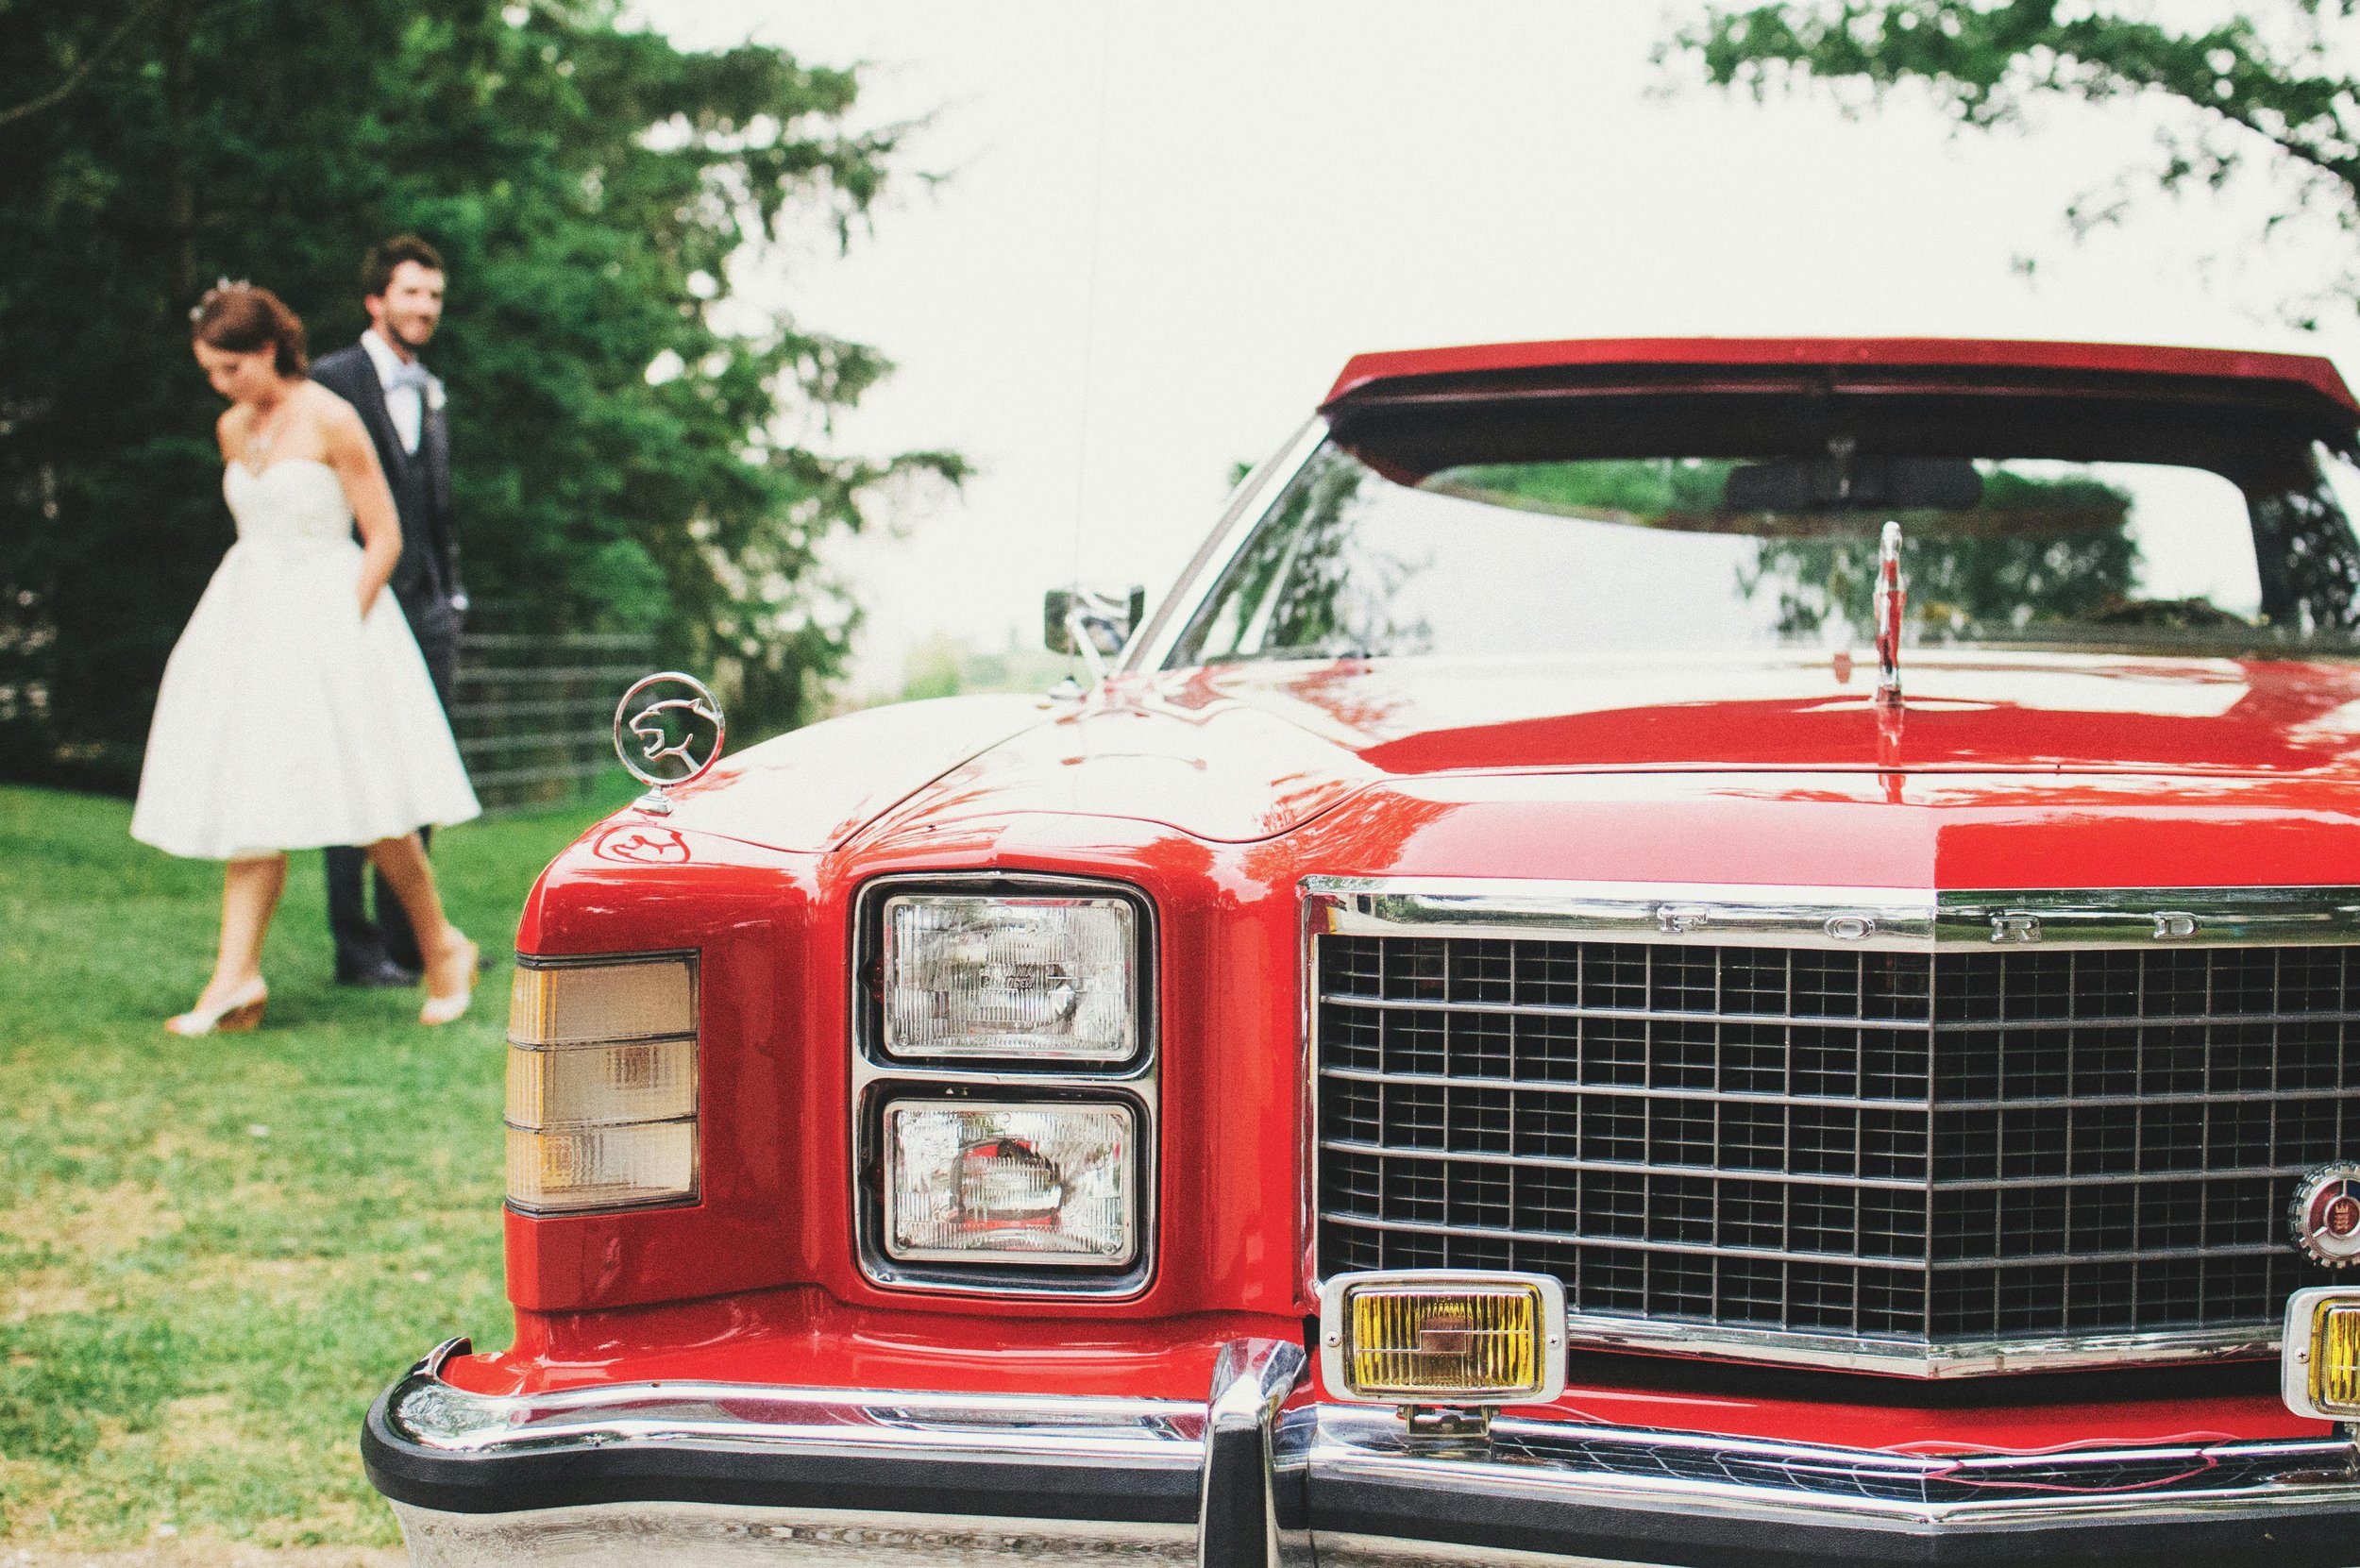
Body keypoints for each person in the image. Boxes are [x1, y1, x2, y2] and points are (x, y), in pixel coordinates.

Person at [130, 281, 481, 1034]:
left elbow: (384, 535)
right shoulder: (232, 429)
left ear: (265, 350)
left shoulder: (332, 417)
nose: (222, 387)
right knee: (251, 790)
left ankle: (443, 945)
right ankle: (235, 977)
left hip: (333, 615)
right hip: (250, 622)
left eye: (231, 369)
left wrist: (340, 622)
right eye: (211, 373)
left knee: (373, 803)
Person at [309, 236, 466, 987]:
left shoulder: (430, 388)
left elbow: (434, 507)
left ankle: (413, 944)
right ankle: (358, 947)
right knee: (352, 771)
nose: (425, 308)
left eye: (433, 296)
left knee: (420, 772)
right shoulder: (330, 381)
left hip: (428, 609)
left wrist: (450, 594)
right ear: (376, 300)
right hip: (358, 603)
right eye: (411, 294)